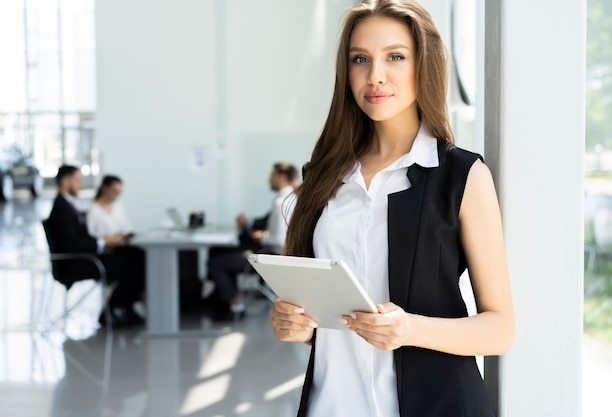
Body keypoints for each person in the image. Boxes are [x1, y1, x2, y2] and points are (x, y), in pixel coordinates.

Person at [269, 1, 515, 416]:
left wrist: (409, 329)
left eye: (395, 57)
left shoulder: (461, 175)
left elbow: (500, 330)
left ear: (425, 64)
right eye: (360, 59)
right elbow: (327, 312)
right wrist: (297, 325)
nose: (375, 76)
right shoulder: (324, 176)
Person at [47, 165, 145, 327]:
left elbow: (79, 238)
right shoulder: (61, 208)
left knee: (134, 254)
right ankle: (112, 310)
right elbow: (71, 244)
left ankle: (125, 308)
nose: (80, 185)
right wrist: (103, 242)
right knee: (131, 264)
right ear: (65, 182)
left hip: (83, 257)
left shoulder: (68, 204)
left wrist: (105, 239)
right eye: (77, 180)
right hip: (75, 263)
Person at [207, 162, 298, 320]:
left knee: (217, 262)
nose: (269, 180)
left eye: (272, 176)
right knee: (217, 251)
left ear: (282, 177)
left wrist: (261, 236)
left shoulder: (282, 202)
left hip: (272, 255)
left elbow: (279, 239)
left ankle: (233, 306)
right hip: (273, 253)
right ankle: (224, 300)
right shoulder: (289, 198)